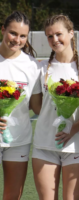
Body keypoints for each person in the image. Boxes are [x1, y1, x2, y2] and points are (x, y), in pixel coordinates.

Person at [32, 15, 79, 200]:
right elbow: (37, 107)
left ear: (71, 33)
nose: (54, 40)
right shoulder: (41, 69)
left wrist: (72, 128)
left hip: (76, 146)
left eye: (59, 34)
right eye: (49, 36)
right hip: (44, 145)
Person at [0, 11, 42, 200]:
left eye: (22, 36)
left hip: (18, 140)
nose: (17, 40)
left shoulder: (32, 66)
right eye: (13, 33)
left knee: (13, 195)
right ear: (3, 30)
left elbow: (36, 106)